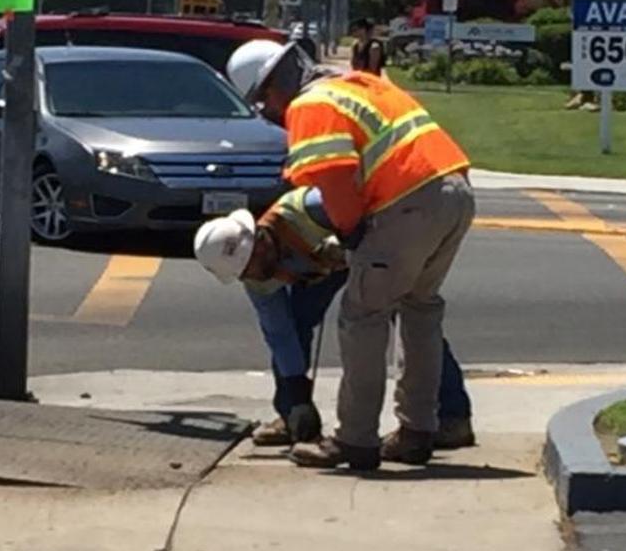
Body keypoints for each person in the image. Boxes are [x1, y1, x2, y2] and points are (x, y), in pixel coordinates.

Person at [225, 40, 476, 470]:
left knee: (363, 317)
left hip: (407, 203)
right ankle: (418, 431)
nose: (268, 112)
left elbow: (335, 177)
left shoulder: (311, 105)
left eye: (262, 100)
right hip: (454, 191)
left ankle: (355, 440)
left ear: (272, 87)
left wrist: (353, 232)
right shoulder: (358, 85)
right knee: (419, 309)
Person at [193, 186, 476, 449]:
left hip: (368, 250)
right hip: (322, 270)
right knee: (295, 323)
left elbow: (375, 206)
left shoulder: (310, 208)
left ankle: (452, 416)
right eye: (246, 274)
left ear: (260, 242)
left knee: (407, 316)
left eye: (253, 266)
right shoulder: (258, 281)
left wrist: (348, 240)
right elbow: (279, 334)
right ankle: (293, 415)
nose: (255, 277)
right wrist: (298, 398)